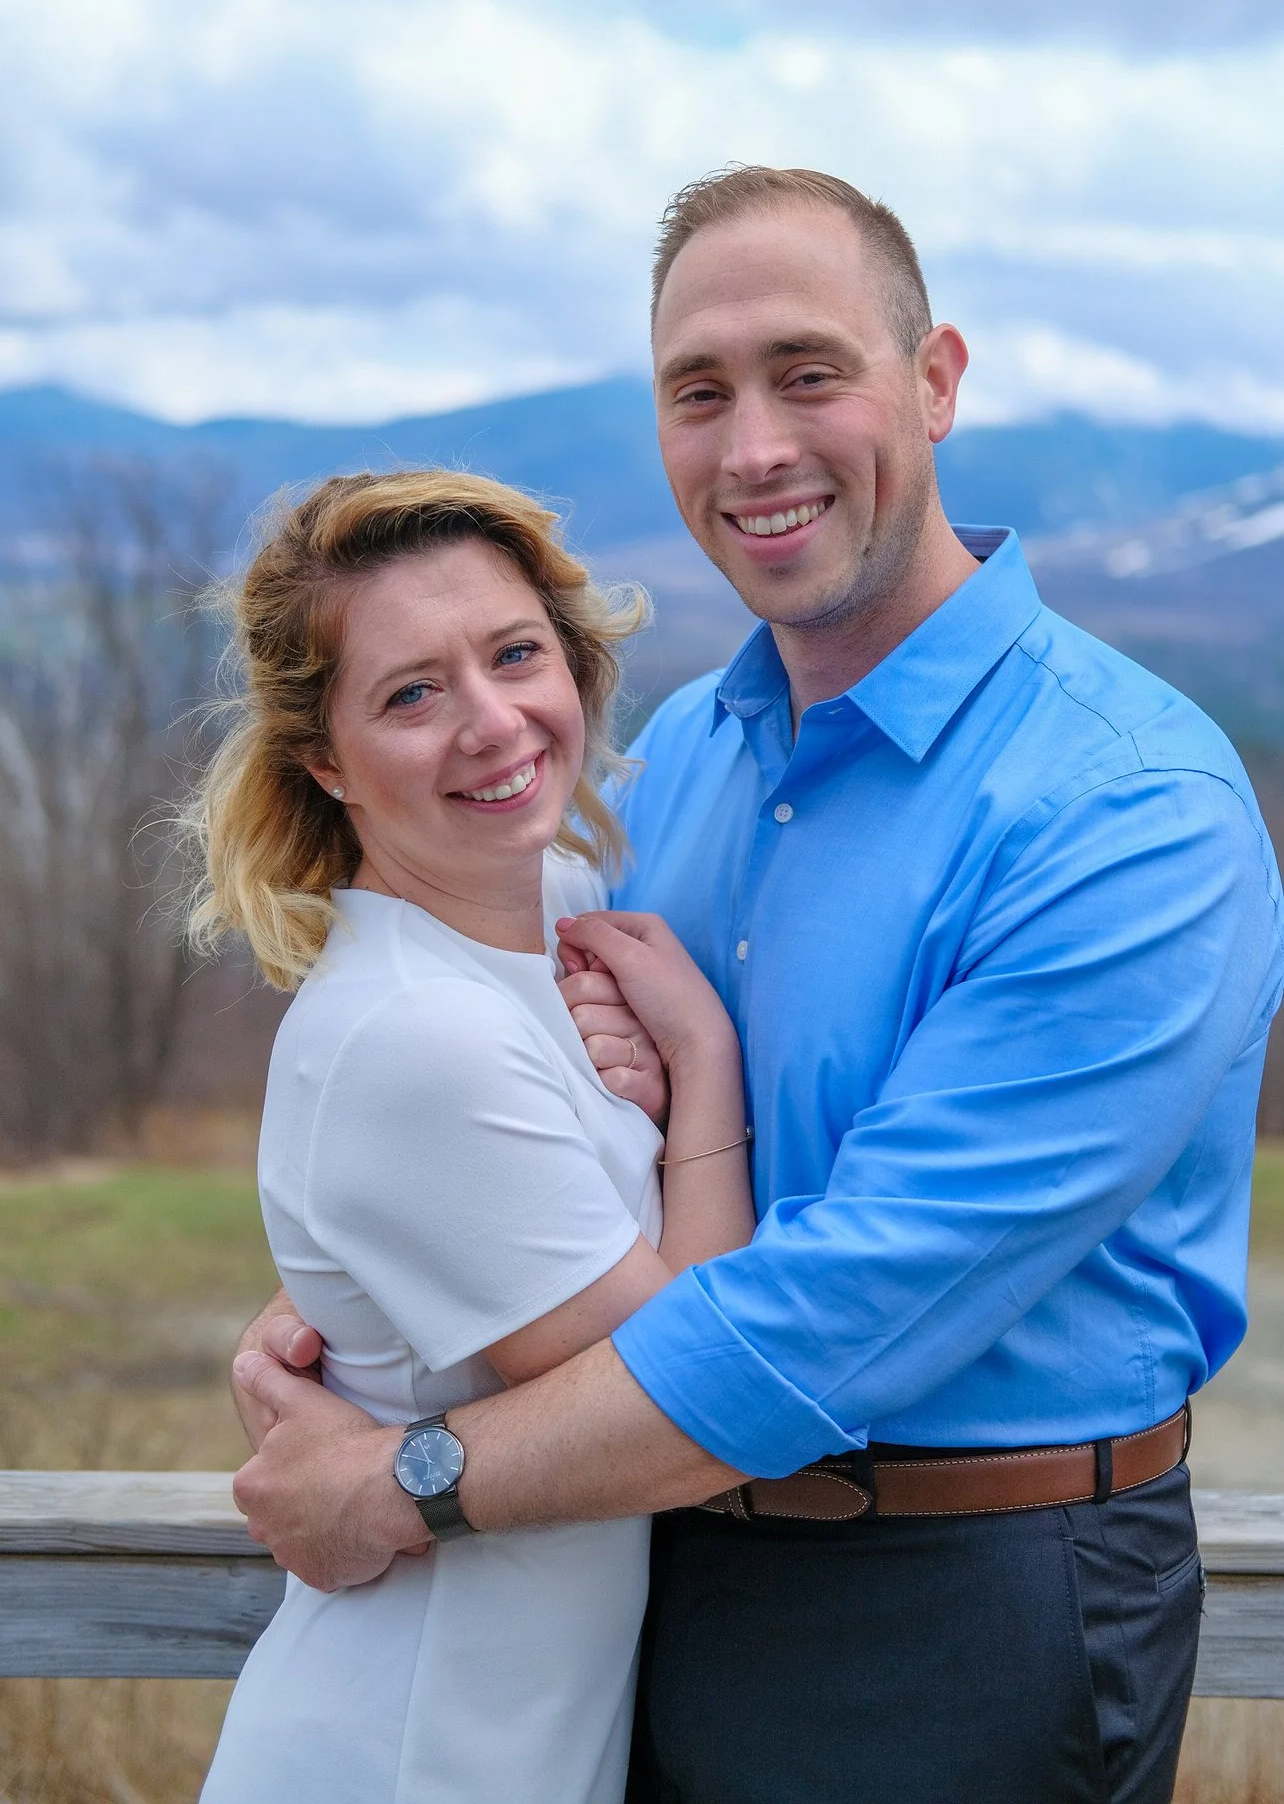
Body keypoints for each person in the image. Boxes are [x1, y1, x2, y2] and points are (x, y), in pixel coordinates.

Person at [230, 169, 1284, 1804]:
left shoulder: (1128, 810)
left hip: (958, 1601)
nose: (754, 449)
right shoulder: (670, 782)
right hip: (639, 1567)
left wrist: (406, 1477)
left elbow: (843, 1313)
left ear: (934, 380)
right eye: (698, 394)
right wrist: (377, 1322)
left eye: (809, 373)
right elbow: (500, 1132)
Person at [186, 468, 755, 1803]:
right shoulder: (412, 1037)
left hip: (527, 1737)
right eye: (410, 694)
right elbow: (686, 1390)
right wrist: (706, 1065)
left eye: (514, 656)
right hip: (410, 1752)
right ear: (326, 761)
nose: (493, 724)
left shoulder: (558, 903)